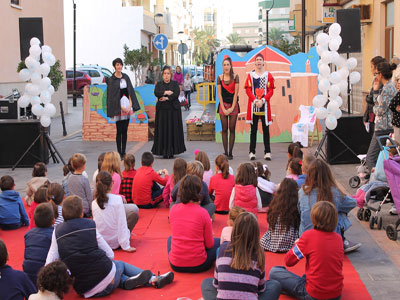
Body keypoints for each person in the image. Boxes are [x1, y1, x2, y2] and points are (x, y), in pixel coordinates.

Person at [45, 195, 174, 297]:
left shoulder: (57, 232)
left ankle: (125, 282)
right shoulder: (90, 226)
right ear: (81, 213)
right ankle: (153, 277)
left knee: (113, 273)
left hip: (84, 289)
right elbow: (110, 254)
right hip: (105, 275)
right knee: (119, 265)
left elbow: (49, 262)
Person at [269, 201, 344, 300]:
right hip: (336, 294)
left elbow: (289, 261)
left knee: (274, 272)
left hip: (314, 294)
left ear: (314, 218)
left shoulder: (309, 236)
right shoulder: (338, 238)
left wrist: (298, 244)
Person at [201, 212, 281, 300]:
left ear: (234, 229)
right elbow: (260, 289)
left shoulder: (223, 248)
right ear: (256, 232)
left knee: (206, 283)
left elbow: (216, 283)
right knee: (274, 285)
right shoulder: (259, 252)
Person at [299, 159, 360, 253]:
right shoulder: (334, 192)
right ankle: (342, 240)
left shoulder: (302, 192)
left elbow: (299, 211)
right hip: (329, 240)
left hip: (305, 238)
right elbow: (352, 203)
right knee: (340, 212)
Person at [168, 175, 220, 273]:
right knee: (220, 241)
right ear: (198, 191)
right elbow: (209, 245)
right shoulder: (203, 213)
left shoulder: (173, 210)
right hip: (199, 264)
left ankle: (179, 257)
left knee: (170, 239)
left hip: (176, 264)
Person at [92, 171, 138, 252]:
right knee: (132, 215)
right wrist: (126, 245)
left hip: (101, 242)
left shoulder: (94, 203)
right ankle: (124, 240)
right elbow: (122, 223)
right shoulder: (117, 200)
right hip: (115, 242)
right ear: (112, 184)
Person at [366, 60, 398, 170]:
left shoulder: (388, 88)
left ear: (380, 74)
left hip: (384, 127)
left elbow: (380, 110)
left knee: (371, 157)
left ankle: (375, 182)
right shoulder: (387, 87)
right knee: (382, 156)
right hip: (385, 126)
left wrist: (375, 96)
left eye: (376, 73)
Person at [106, 58, 140, 160]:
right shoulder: (112, 80)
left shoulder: (126, 77)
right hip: (118, 107)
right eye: (117, 65)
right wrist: (121, 107)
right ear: (114, 66)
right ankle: (119, 152)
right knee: (119, 130)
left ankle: (124, 152)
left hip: (127, 106)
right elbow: (112, 96)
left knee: (125, 130)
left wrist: (130, 105)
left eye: (120, 64)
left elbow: (130, 91)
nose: (119, 66)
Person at [245, 53, 275, 161]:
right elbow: (248, 90)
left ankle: (267, 152)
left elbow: (271, 90)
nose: (258, 62)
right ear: (254, 62)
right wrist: (254, 100)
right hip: (254, 106)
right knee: (253, 130)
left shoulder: (268, 75)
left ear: (263, 62)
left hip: (264, 106)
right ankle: (252, 151)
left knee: (266, 130)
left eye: (260, 60)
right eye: (257, 60)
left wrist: (263, 100)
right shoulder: (250, 76)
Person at [152, 65, 186, 158]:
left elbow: (176, 93)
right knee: (163, 130)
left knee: (172, 130)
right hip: (162, 111)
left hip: (173, 111)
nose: (166, 76)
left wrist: (166, 97)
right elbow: (156, 92)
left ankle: (172, 151)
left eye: (168, 74)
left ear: (170, 75)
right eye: (165, 74)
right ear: (162, 75)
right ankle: (162, 151)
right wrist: (166, 92)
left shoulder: (174, 84)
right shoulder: (159, 84)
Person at [260, 178, 299, 253]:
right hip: (290, 240)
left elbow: (270, 223)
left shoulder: (275, 204)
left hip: (274, 239)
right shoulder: (296, 204)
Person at [23, 203, 54, 284]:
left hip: (28, 272)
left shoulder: (28, 234)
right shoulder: (54, 234)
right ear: (53, 220)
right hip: (45, 273)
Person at [217, 56, 239, 159]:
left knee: (232, 129)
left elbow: (236, 94)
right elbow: (219, 95)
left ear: (231, 66)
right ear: (222, 66)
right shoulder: (219, 78)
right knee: (224, 129)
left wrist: (232, 108)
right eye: (224, 65)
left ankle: (231, 153)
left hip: (233, 105)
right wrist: (224, 108)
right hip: (223, 105)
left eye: (228, 64)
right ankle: (225, 152)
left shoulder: (235, 77)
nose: (226, 66)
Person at [364, 56, 386, 134]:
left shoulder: (381, 82)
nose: (371, 69)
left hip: (377, 117)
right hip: (372, 113)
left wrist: (368, 98)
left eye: (372, 67)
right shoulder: (376, 80)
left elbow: (375, 99)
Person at [67, 153, 92, 218]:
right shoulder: (84, 179)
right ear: (83, 166)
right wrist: (91, 209)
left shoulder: (69, 178)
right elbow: (89, 196)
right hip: (84, 208)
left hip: (74, 207)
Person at [389, 72, 400, 144]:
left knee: (398, 142)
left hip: (397, 122)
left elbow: (391, 105)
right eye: (398, 83)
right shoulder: (397, 94)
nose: (398, 85)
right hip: (397, 122)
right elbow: (391, 105)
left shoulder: (398, 94)